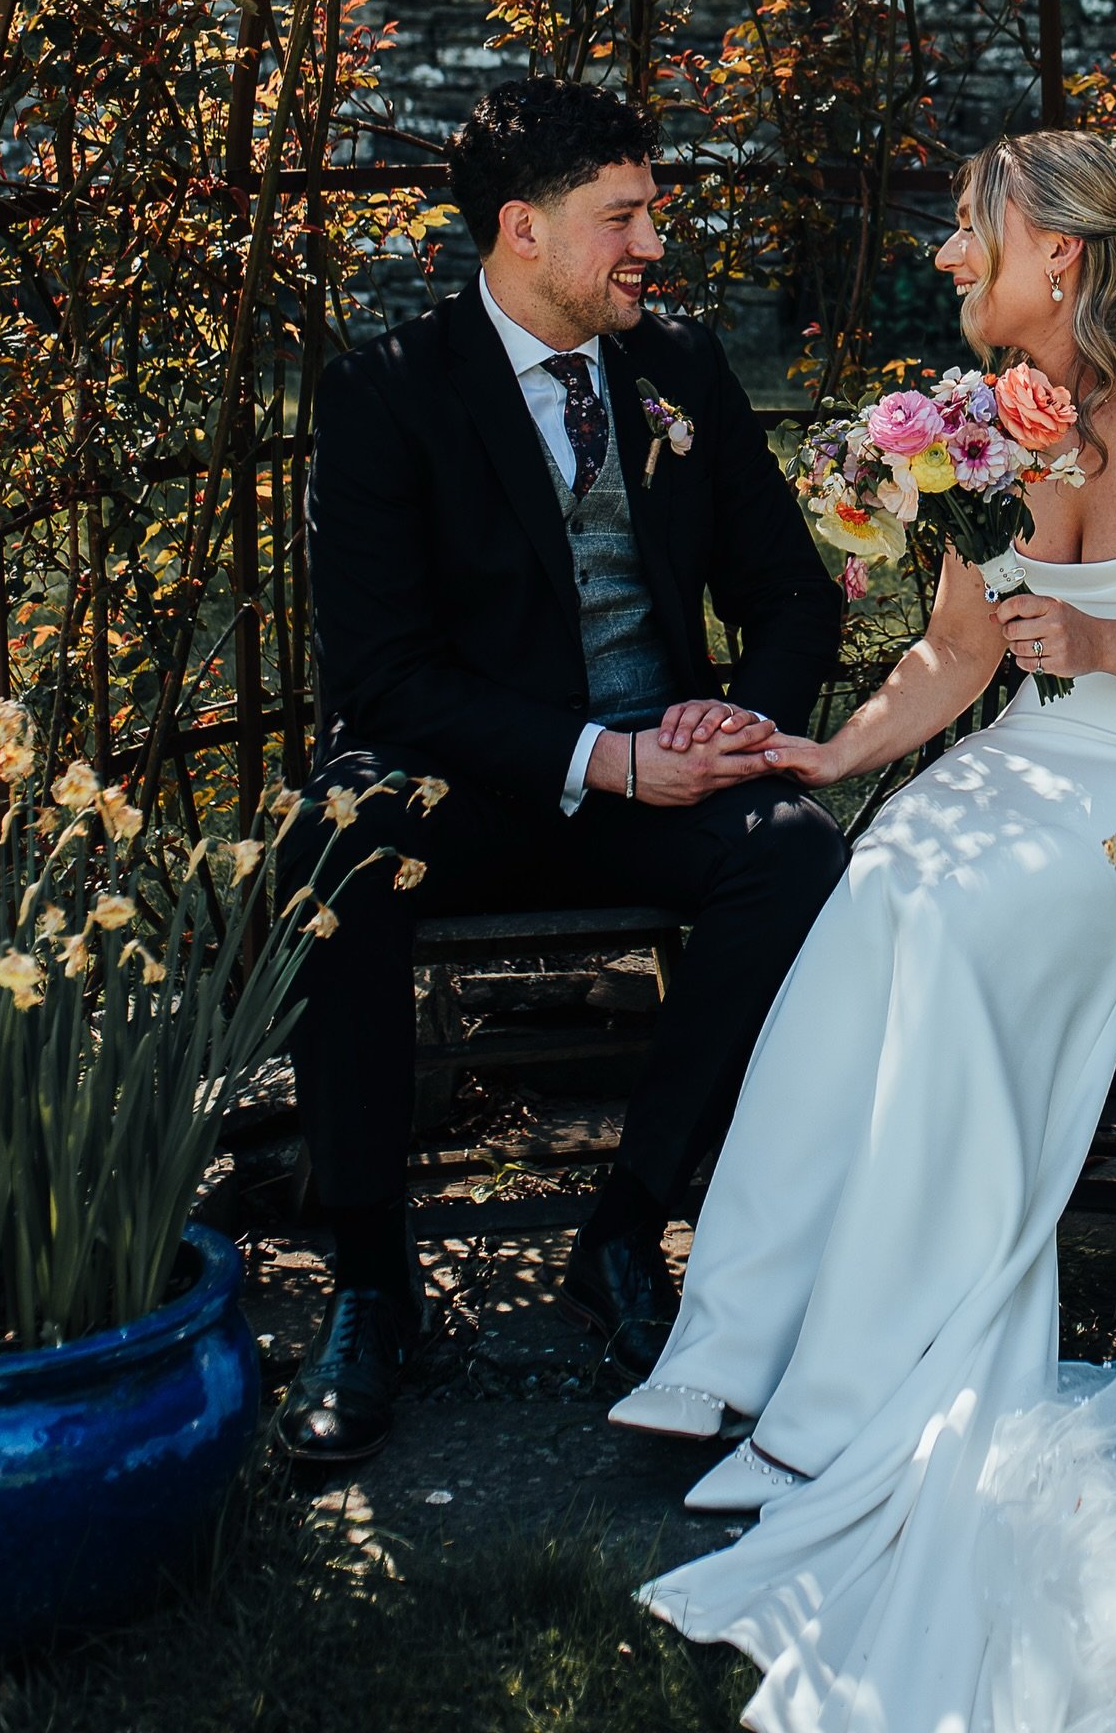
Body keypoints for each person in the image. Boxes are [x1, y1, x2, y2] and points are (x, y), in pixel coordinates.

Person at [614, 131, 1116, 1732]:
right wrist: (832, 755)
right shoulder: (987, 428)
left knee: (967, 913)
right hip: (1059, 758)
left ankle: (871, 1390)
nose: (949, 258)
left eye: (976, 234)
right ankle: (743, 1334)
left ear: (1068, 255)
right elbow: (963, 653)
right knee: (888, 873)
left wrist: (1104, 636)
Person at [278, 79, 845, 1468]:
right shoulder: (385, 397)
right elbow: (384, 677)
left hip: (667, 778)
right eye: (625, 218)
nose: (653, 244)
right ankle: (367, 1286)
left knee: (798, 852)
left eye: (651, 213)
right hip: (468, 785)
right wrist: (603, 759)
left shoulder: (680, 372)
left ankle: (626, 1231)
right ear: (524, 231)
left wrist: (736, 733)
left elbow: (791, 596)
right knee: (335, 845)